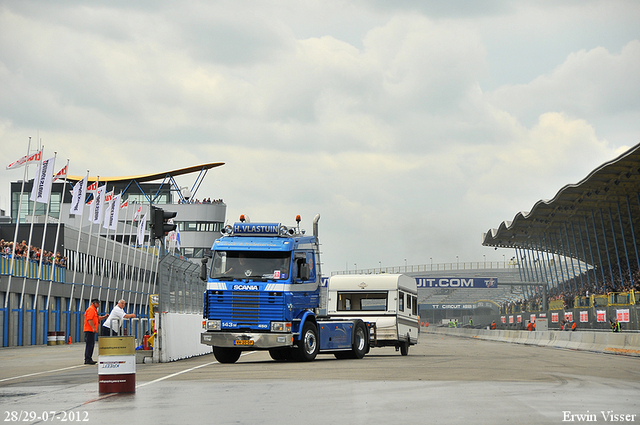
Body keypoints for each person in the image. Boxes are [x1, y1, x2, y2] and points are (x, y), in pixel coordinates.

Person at [84, 299, 106, 365]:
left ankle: (89, 358)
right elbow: (89, 319)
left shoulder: (94, 310)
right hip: (89, 330)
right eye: (97, 303)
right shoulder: (91, 309)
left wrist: (104, 317)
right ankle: (87, 359)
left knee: (91, 345)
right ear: (93, 303)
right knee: (89, 345)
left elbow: (97, 318)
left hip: (91, 330)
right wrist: (93, 328)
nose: (98, 304)